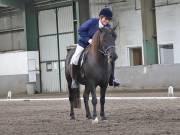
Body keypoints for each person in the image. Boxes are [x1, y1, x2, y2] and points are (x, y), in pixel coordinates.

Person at [70, 7, 120, 89]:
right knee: (75, 58)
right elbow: (80, 31)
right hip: (84, 42)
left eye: (108, 20)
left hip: (98, 47)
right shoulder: (92, 22)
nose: (107, 21)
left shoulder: (108, 26)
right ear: (101, 17)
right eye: (105, 19)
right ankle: (74, 79)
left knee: (111, 57)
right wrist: (88, 40)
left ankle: (112, 79)